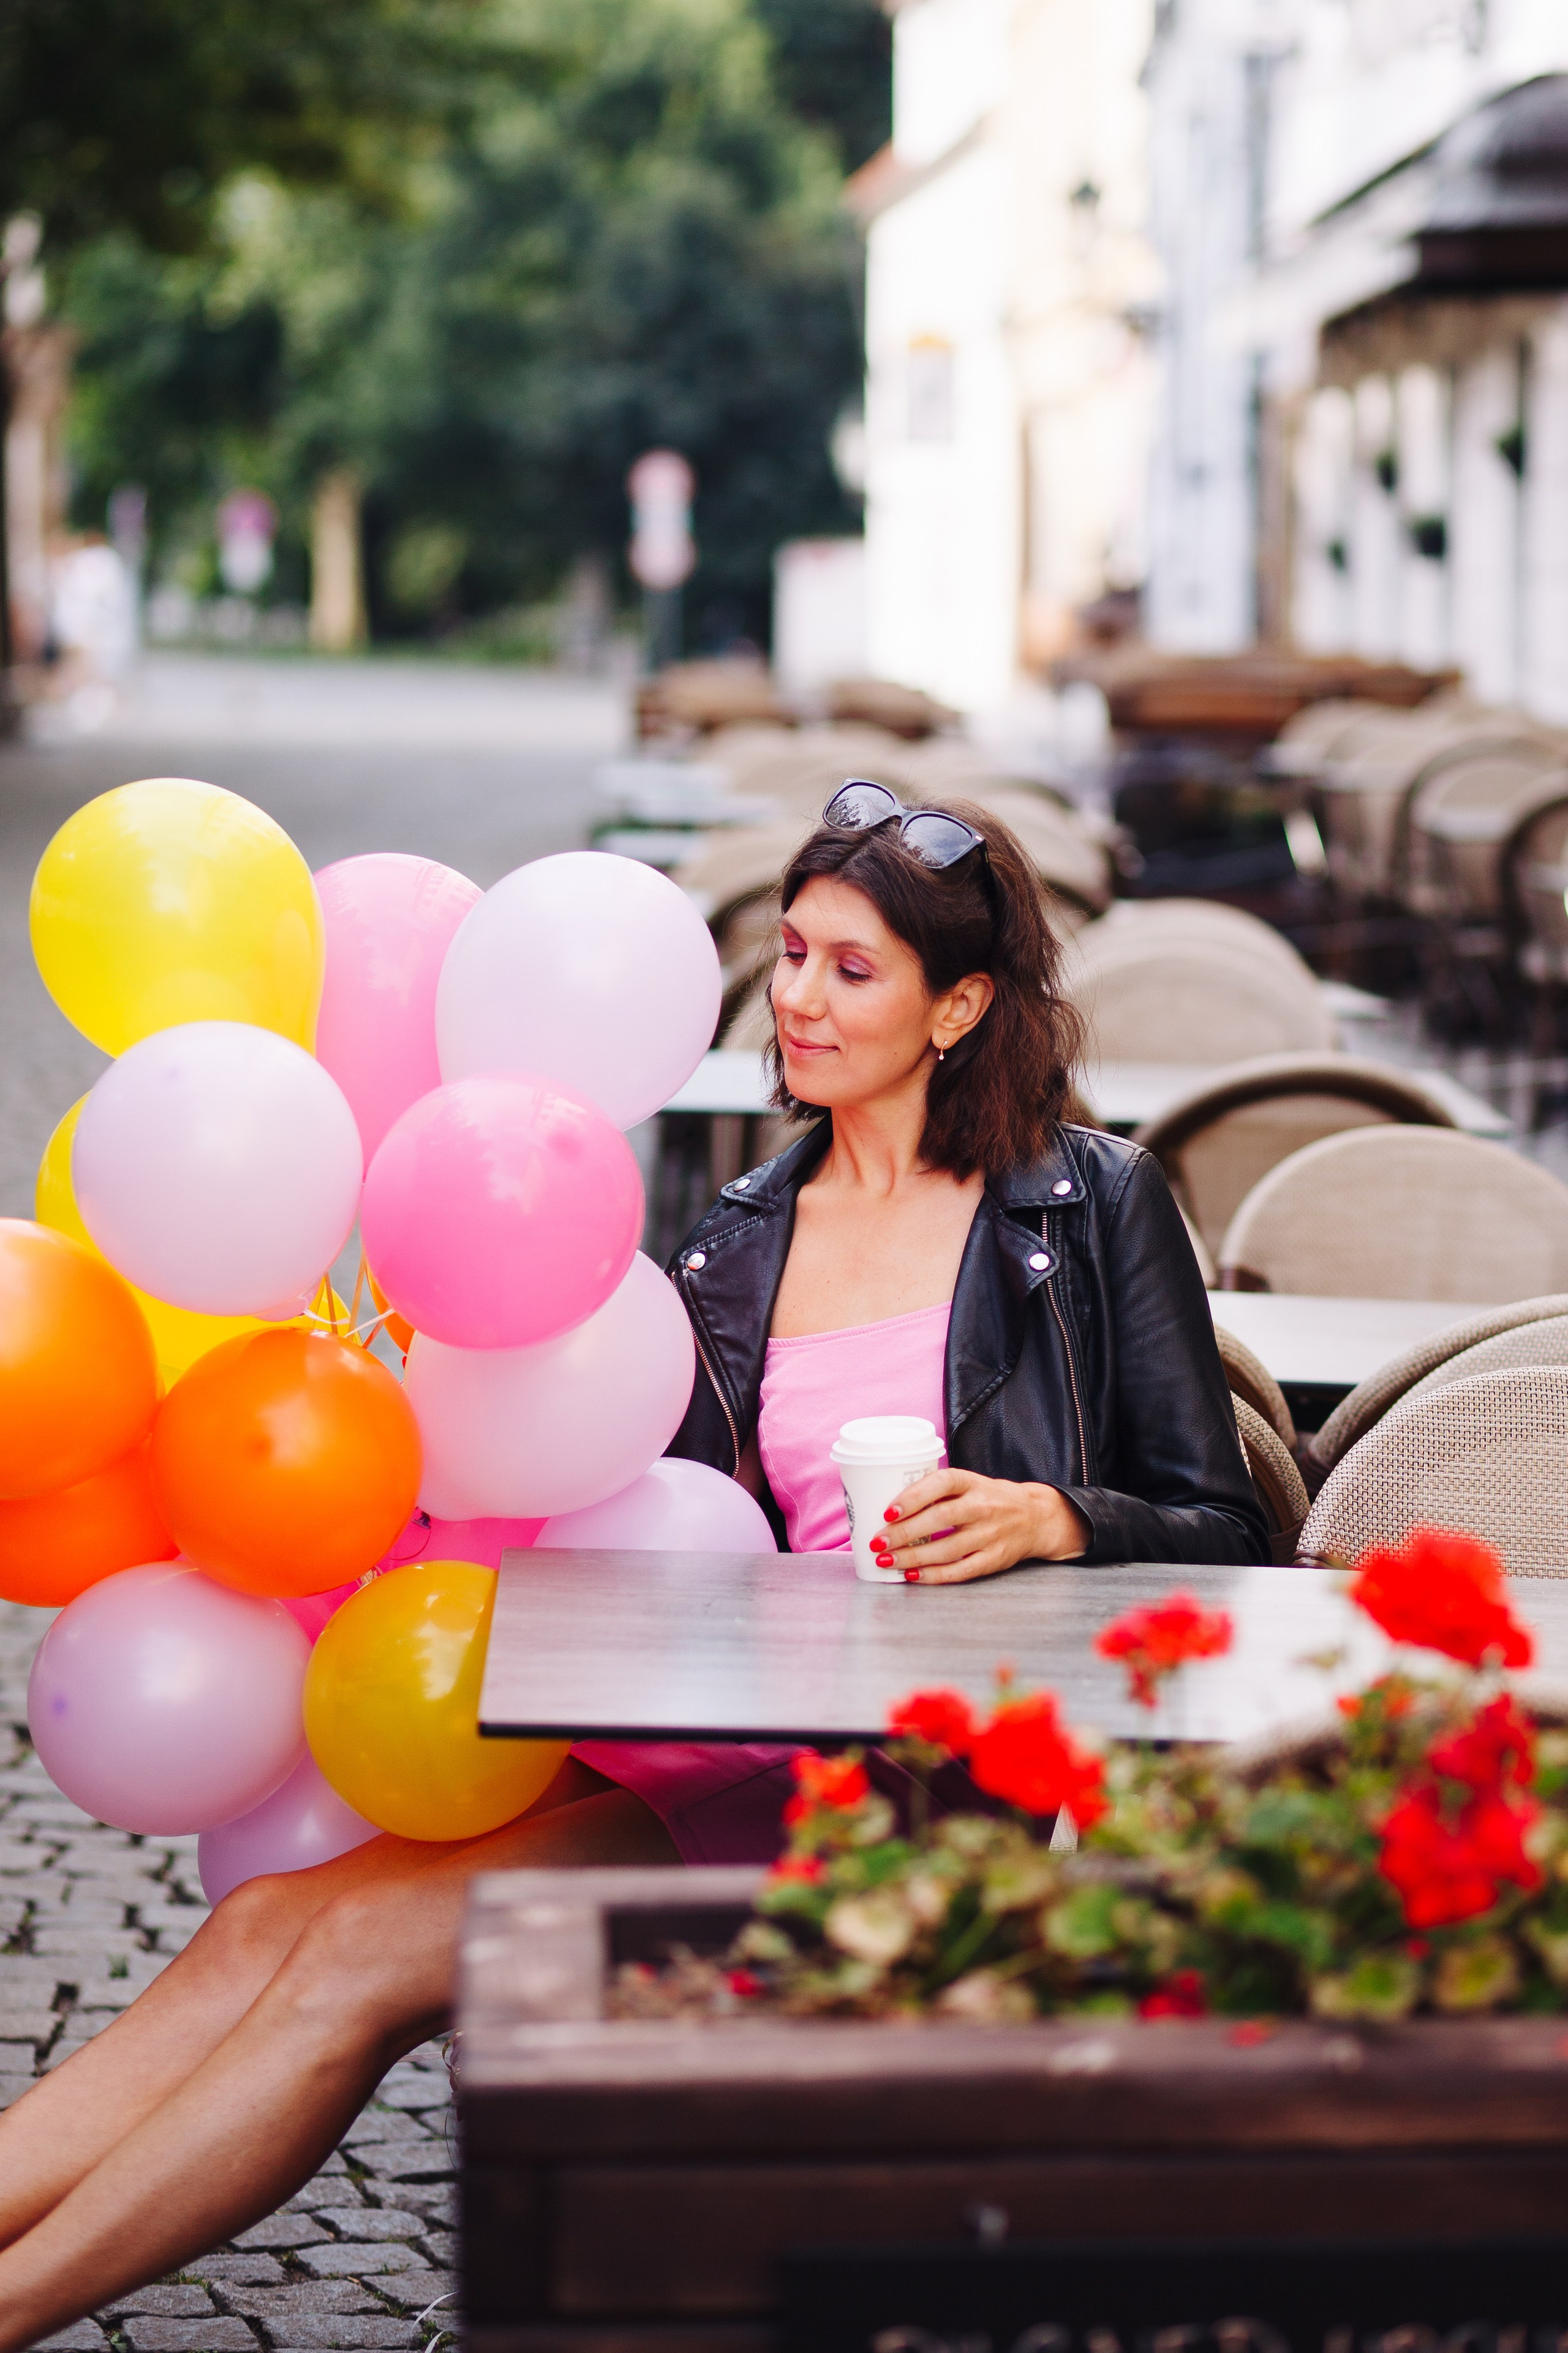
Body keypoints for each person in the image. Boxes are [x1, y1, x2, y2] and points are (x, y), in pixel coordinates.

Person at [0, 786, 1265, 2339]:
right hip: (741, 1759)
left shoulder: (1086, 1207)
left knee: (347, 1974)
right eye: (790, 953)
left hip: (942, 1802)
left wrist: (1055, 1516)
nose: (796, 996)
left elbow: (1229, 1535)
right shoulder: (733, 1239)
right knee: (271, 1924)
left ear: (961, 1004)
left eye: (850, 971)